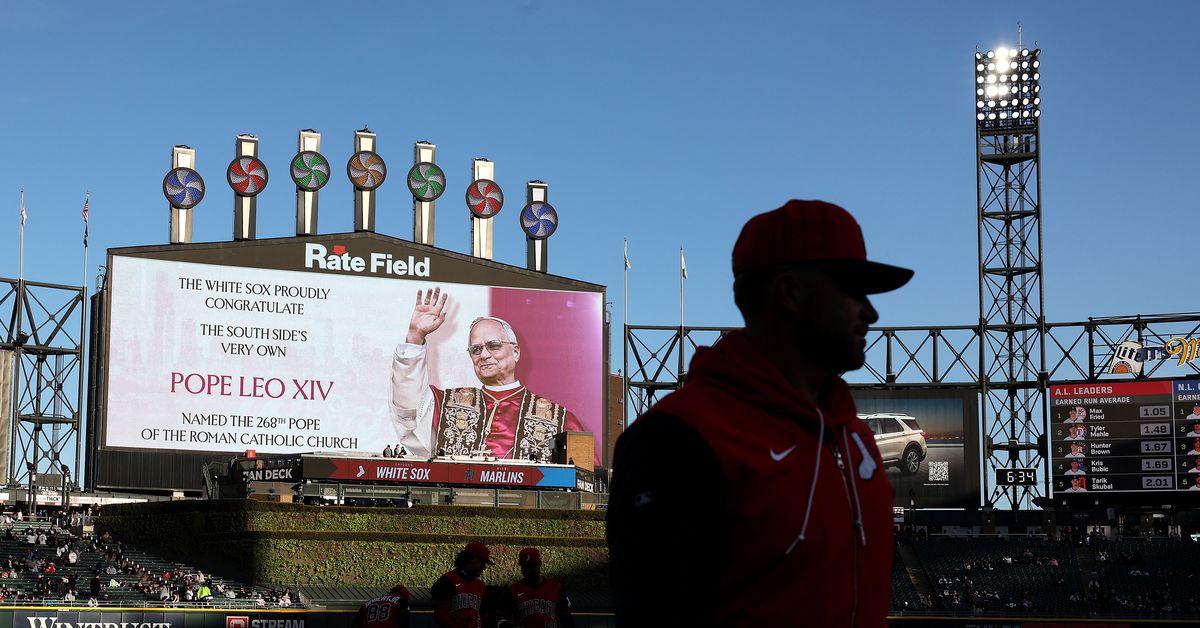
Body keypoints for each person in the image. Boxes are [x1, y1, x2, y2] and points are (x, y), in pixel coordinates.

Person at [607, 200, 908, 626]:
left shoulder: (854, 434)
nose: (871, 311)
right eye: (851, 289)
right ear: (790, 293)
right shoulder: (676, 435)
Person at [390, 297, 585, 461]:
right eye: (476, 349)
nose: (484, 355)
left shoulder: (560, 419)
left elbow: (586, 481)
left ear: (515, 352)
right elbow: (408, 409)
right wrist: (415, 337)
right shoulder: (447, 403)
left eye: (494, 345)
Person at [504, 547, 574, 628]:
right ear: (521, 568)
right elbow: (501, 618)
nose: (528, 570)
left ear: (539, 564)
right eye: (525, 567)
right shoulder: (512, 590)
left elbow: (568, 620)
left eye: (532, 566)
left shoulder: (557, 588)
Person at [431, 542, 492, 628]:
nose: (484, 567)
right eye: (482, 562)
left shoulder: (480, 585)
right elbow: (440, 615)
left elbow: (483, 614)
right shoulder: (447, 581)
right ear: (472, 559)